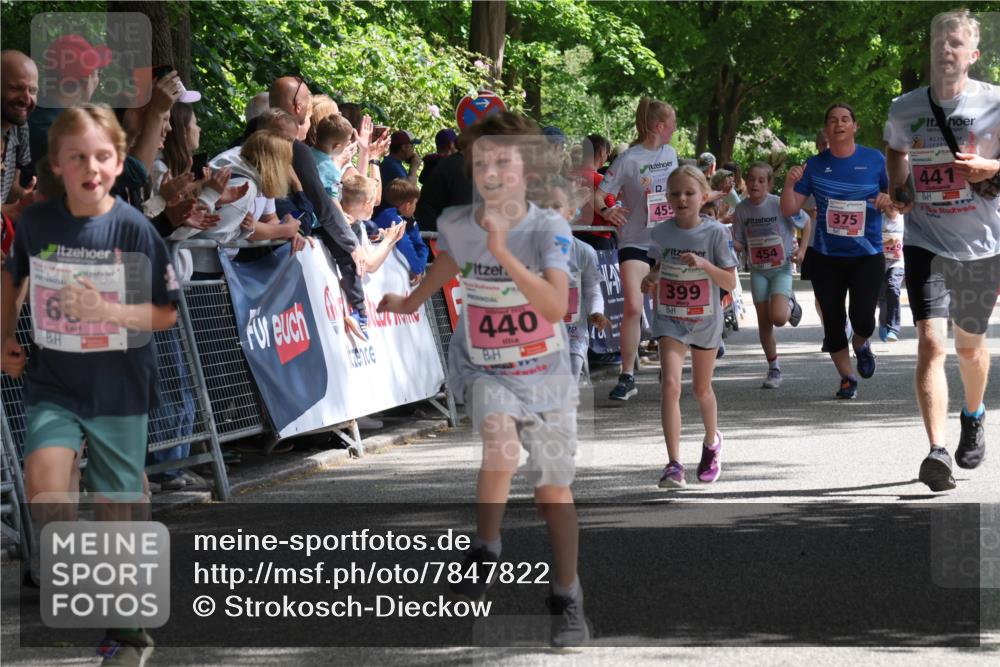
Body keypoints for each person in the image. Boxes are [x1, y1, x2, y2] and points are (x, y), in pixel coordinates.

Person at [377, 112, 589, 647]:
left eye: (503, 161)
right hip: (484, 363)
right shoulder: (461, 223)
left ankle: (567, 595)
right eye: (481, 162)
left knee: (552, 494)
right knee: (498, 439)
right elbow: (450, 263)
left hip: (545, 373)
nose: (491, 172)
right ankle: (487, 545)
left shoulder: (549, 229)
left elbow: (555, 303)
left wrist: (501, 252)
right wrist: (410, 301)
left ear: (528, 168)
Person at [1, 104, 180, 666]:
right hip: (54, 382)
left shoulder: (132, 228)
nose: (91, 166)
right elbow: (13, 280)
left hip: (119, 386)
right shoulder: (38, 223)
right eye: (77, 156)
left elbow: (165, 314)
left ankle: (129, 632)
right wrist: (6, 337)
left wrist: (106, 309)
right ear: (56, 164)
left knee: (116, 502)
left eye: (102, 156)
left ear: (119, 159)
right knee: (46, 485)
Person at [885, 9, 1000, 491]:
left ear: (973, 55)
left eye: (956, 43)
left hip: (982, 244)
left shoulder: (995, 102)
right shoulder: (905, 107)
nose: (945, 49)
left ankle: (972, 414)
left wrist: (989, 167)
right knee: (931, 343)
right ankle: (936, 451)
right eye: (939, 42)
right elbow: (895, 148)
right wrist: (901, 188)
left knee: (970, 349)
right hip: (926, 241)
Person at [782, 102, 894, 400]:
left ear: (854, 126)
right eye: (833, 120)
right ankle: (847, 378)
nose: (839, 124)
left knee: (864, 319)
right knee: (832, 320)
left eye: (845, 119)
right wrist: (789, 184)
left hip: (867, 254)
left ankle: (860, 343)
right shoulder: (815, 165)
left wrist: (887, 200)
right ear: (826, 129)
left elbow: (895, 200)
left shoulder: (875, 160)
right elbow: (791, 209)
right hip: (826, 257)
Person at [641, 165, 738, 488]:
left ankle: (712, 443)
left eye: (689, 193)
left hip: (704, 319)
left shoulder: (714, 233)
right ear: (667, 197)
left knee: (700, 389)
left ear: (703, 196)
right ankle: (673, 464)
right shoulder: (661, 232)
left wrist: (705, 264)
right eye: (675, 193)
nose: (681, 199)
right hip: (669, 318)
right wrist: (651, 278)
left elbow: (730, 281)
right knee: (670, 385)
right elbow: (658, 266)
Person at [594, 97, 678, 401]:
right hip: (635, 241)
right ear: (659, 126)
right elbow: (600, 195)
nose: (674, 130)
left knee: (667, 306)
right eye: (672, 125)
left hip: (668, 242)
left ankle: (671, 366)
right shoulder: (628, 159)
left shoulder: (671, 153)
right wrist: (607, 212)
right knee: (632, 305)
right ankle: (627, 375)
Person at [733, 162, 807, 389]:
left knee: (778, 318)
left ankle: (791, 306)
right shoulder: (741, 209)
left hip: (781, 268)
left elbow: (807, 222)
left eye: (761, 180)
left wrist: (802, 250)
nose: (755, 184)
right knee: (764, 323)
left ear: (769, 184)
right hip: (758, 271)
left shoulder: (778, 204)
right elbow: (737, 241)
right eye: (752, 179)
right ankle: (773, 368)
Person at [539, 178, 610, 380]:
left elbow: (592, 288)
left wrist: (596, 311)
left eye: (555, 206)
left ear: (571, 212)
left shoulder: (584, 252)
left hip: (573, 335)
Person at [29, 35, 112, 166]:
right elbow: (130, 180)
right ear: (87, 81)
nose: (98, 80)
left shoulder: (30, 113)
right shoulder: (63, 134)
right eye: (98, 73)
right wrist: (154, 117)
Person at [339, 173, 405, 274]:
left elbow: (372, 267)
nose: (374, 208)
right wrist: (387, 240)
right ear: (367, 204)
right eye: (374, 204)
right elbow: (368, 265)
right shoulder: (347, 226)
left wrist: (393, 240)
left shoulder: (358, 224)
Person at [371, 178, 429, 281]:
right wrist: (419, 269)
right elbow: (408, 246)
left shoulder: (406, 219)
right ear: (407, 206)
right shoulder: (393, 219)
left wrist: (419, 267)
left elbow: (420, 246)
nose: (415, 207)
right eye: (415, 203)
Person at [1, 50, 38, 209]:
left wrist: (25, 196)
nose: (26, 99)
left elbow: (10, 191)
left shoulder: (20, 125)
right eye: (16, 88)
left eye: (33, 90)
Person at [573, 133, 617, 251]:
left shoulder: (568, 177)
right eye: (607, 154)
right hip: (598, 240)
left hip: (572, 239)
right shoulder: (601, 180)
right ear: (602, 152)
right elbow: (613, 213)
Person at [310, 114, 354, 201]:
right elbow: (333, 200)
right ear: (337, 146)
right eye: (346, 144)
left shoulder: (304, 152)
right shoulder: (333, 171)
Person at [878, 208, 905, 342]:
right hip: (879, 262)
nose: (892, 208)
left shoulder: (904, 219)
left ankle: (893, 329)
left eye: (895, 205)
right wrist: (887, 244)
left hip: (897, 262)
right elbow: (871, 242)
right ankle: (883, 324)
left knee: (893, 289)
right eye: (889, 205)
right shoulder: (878, 219)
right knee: (882, 297)